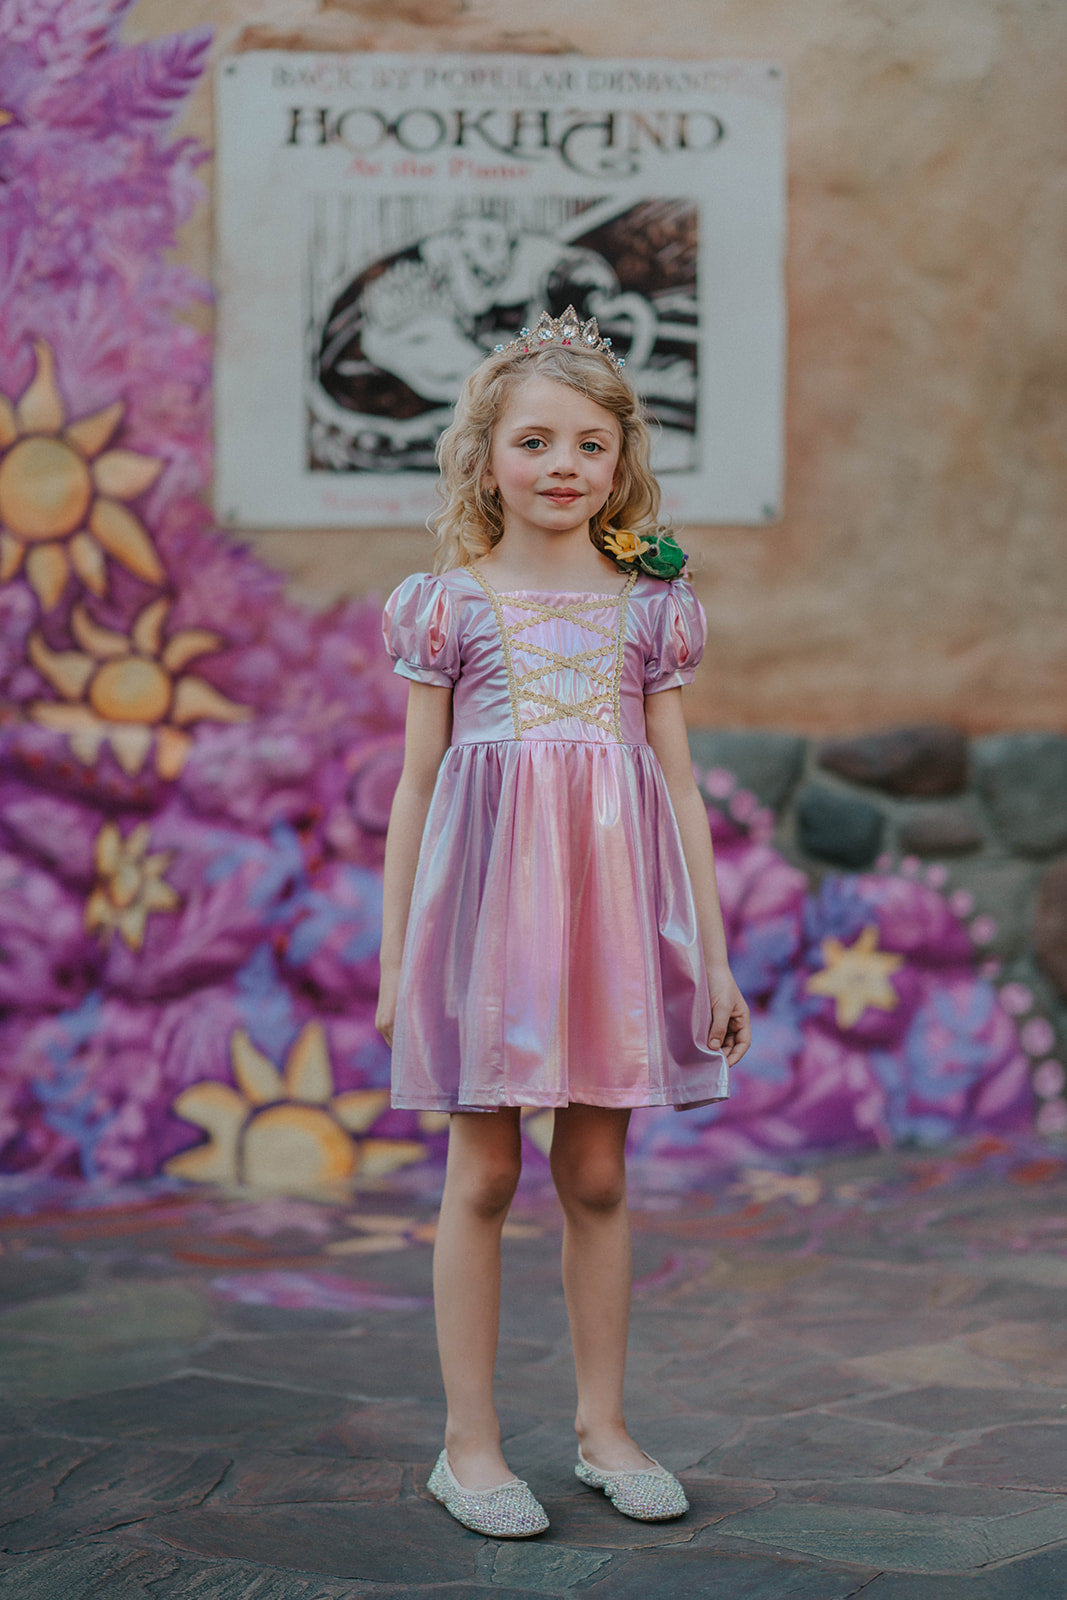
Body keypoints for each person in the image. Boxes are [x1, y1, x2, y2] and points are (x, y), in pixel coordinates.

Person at [376, 307, 750, 1539]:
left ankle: (602, 1425)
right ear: (488, 454)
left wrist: (710, 951)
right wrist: (395, 958)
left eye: (588, 445)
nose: (561, 467)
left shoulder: (651, 610)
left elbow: (682, 786)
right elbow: (421, 784)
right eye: (534, 441)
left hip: (609, 930)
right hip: (488, 932)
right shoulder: (448, 605)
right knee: (483, 1171)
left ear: (620, 461)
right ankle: (467, 1446)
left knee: (593, 1168)